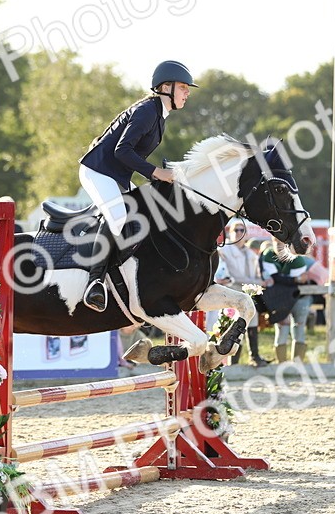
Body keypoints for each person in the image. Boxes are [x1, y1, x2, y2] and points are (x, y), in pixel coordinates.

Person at [78, 60, 198, 312]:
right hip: (97, 171)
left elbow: (131, 157)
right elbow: (123, 150)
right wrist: (156, 173)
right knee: (119, 217)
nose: (187, 93)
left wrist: (160, 176)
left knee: (143, 214)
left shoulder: (159, 115)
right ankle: (94, 283)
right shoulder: (147, 111)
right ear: (166, 87)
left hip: (116, 175)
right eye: (184, 87)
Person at [216, 222, 274, 366]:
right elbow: (233, 275)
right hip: (231, 291)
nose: (239, 232)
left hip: (248, 292)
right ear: (230, 232)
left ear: (246, 234)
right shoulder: (224, 250)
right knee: (234, 325)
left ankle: (254, 356)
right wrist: (257, 281)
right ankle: (233, 361)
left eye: (242, 230)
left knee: (251, 322)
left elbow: (256, 274)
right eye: (236, 230)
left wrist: (259, 281)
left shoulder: (250, 253)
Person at [260, 240, 312, 363]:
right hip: (279, 298)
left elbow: (290, 284)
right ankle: (281, 364)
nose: (279, 244)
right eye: (276, 241)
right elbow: (280, 279)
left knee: (299, 327)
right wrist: (293, 279)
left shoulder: (297, 258)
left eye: (282, 242)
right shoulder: (268, 255)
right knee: (282, 328)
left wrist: (284, 280)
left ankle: (297, 364)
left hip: (298, 297)